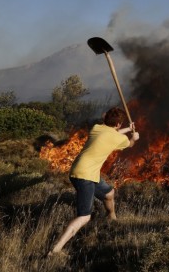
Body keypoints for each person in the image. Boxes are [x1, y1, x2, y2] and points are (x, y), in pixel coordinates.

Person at [48, 107, 139, 254]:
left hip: (81, 171)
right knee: (84, 217)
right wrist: (134, 138)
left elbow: (111, 133)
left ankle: (111, 218)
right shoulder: (118, 138)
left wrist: (128, 128)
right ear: (118, 125)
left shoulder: (97, 128)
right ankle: (55, 250)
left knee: (109, 194)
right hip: (85, 176)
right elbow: (130, 144)